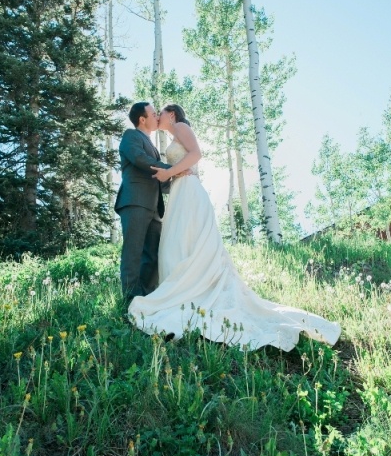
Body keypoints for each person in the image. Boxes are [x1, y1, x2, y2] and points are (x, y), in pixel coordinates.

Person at [128, 104, 341, 352]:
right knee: (176, 243)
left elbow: (196, 154)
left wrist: (170, 172)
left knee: (191, 240)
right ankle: (181, 290)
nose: (157, 116)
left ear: (172, 114)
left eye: (160, 112)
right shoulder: (172, 137)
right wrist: (171, 174)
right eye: (154, 114)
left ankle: (195, 290)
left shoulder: (181, 126)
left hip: (189, 191)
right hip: (178, 193)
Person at [114, 102, 172, 306]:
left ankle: (146, 299)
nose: (157, 117)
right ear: (142, 119)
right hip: (135, 202)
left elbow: (158, 178)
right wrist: (172, 169)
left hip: (155, 208)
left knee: (153, 255)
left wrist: (180, 183)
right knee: (133, 253)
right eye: (154, 113)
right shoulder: (131, 136)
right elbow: (141, 159)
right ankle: (130, 302)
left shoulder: (153, 146)